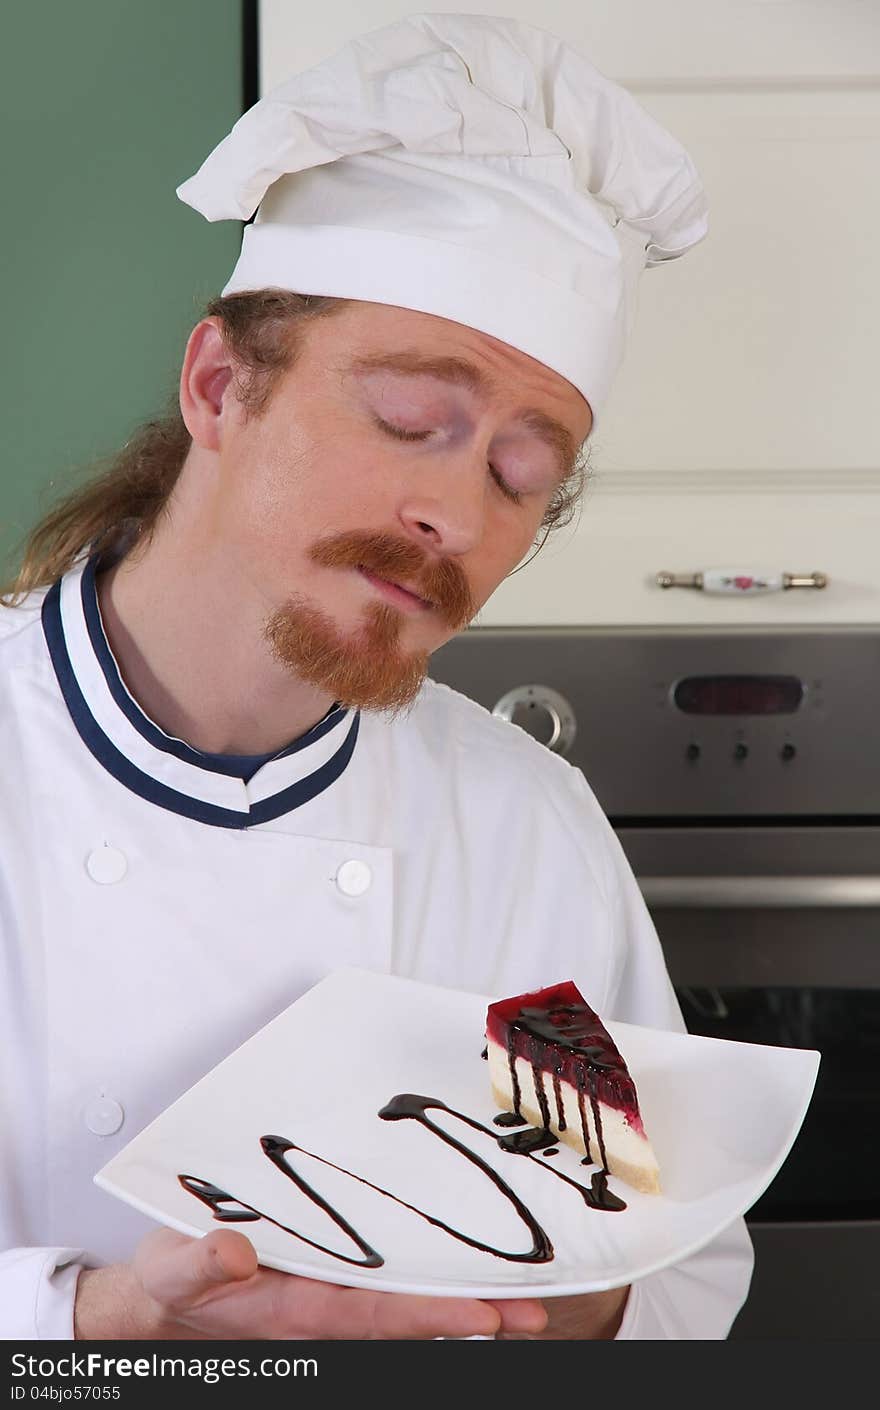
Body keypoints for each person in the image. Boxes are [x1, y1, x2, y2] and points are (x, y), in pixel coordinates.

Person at [0, 13, 753, 1340]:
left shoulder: (516, 829)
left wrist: (522, 1308)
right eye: (414, 418)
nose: (459, 516)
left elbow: (672, 1257)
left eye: (524, 474)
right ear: (221, 386)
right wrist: (98, 1332)